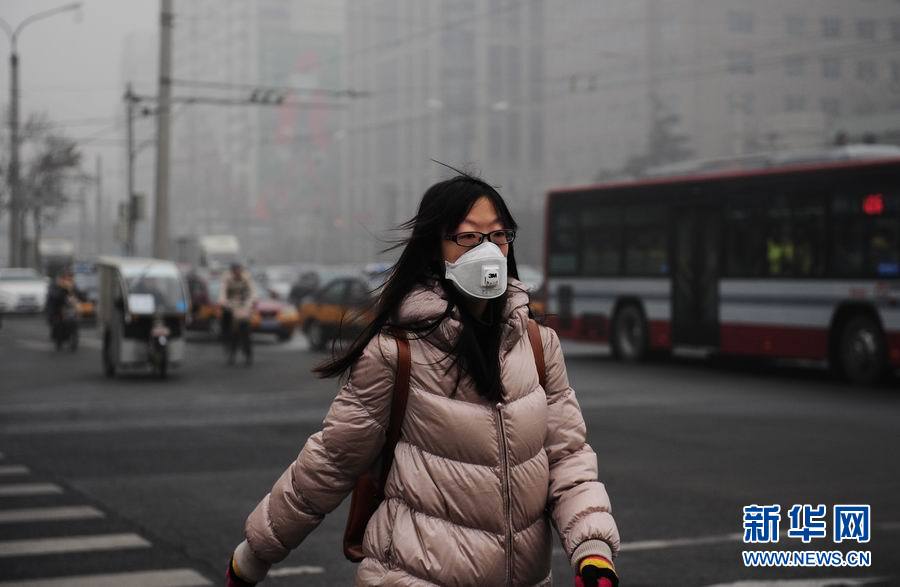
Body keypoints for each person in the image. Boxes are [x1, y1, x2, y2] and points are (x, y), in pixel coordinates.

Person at [226, 175, 620, 586]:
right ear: (436, 248)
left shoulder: (539, 346)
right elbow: (330, 462)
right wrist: (253, 556)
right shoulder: (396, 352)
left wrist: (592, 550)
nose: (488, 250)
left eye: (499, 235)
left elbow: (568, 457)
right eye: (468, 237)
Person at [219, 262, 256, 366]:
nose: (237, 272)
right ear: (232, 271)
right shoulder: (227, 278)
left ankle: (248, 355)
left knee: (245, 332)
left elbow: (252, 292)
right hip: (231, 306)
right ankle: (230, 352)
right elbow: (222, 292)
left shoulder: (246, 278)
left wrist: (251, 302)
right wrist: (224, 302)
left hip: (244, 306)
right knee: (230, 331)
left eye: (239, 270)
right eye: (235, 270)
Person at [45, 268, 80, 345]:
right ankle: (58, 338)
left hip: (69, 308)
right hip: (57, 308)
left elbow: (79, 295)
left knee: (75, 320)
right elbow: (54, 297)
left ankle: (73, 335)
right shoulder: (55, 285)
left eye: (70, 277)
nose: (68, 279)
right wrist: (63, 289)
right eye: (66, 277)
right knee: (57, 322)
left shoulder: (72, 285)